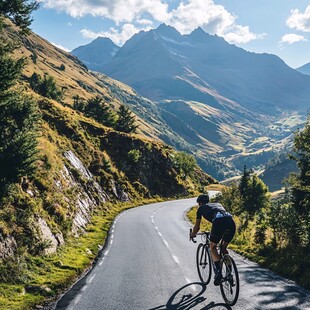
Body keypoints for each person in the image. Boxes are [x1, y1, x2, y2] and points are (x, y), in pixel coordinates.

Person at [190, 193, 236, 286]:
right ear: (208, 201)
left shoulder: (200, 209)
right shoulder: (218, 204)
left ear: (199, 203)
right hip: (231, 222)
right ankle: (229, 273)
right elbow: (222, 216)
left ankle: (218, 273)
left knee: (213, 247)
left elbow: (197, 227)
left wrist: (192, 234)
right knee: (223, 248)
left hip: (218, 223)